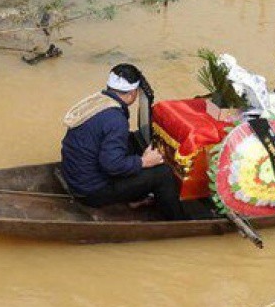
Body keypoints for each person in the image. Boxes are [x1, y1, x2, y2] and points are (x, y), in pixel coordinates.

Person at [61, 63, 185, 220]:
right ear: (133, 93)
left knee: (132, 140)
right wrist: (144, 162)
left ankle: (136, 198)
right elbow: (112, 165)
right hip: (90, 191)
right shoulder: (115, 120)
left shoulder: (97, 101)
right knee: (163, 174)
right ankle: (177, 221)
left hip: (76, 177)